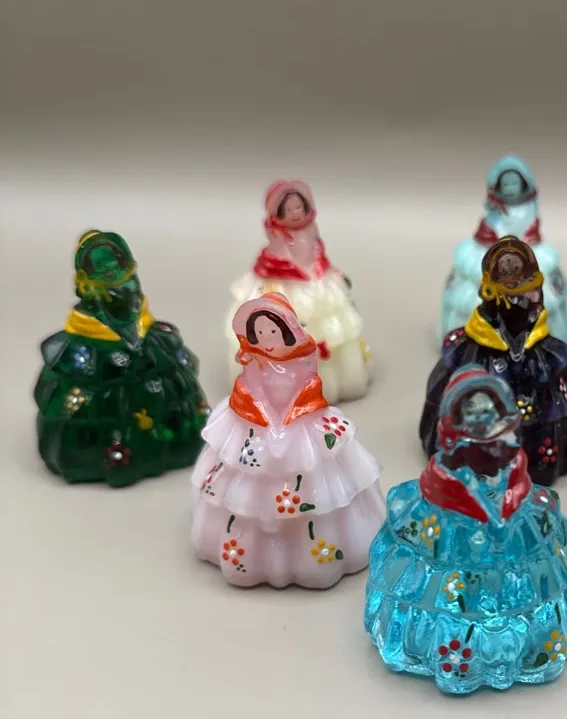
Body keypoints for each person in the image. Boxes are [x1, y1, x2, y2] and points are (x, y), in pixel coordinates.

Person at [365, 365, 567, 694]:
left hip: (511, 520)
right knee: (434, 583)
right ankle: (452, 653)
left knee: (527, 578)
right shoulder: (445, 475)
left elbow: (513, 476)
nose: (482, 421)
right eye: (471, 413)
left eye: (488, 413)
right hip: (449, 522)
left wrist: (503, 504)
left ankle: (524, 647)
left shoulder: (512, 468)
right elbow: (448, 480)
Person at [192, 293, 384, 588]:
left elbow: (308, 389)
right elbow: (250, 391)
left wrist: (287, 423)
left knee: (317, 486)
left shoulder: (303, 359)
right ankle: (249, 552)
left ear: (286, 331)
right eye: (259, 334)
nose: (267, 340)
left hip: (302, 423)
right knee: (246, 492)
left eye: (272, 331)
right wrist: (267, 422)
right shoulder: (254, 363)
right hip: (256, 426)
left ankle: (317, 554)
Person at [34, 229, 209, 487]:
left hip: (139, 337)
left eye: (116, 264)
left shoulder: (134, 295)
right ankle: (111, 453)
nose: (111, 271)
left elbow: (133, 305)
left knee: (164, 389)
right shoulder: (89, 305)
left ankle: (171, 441)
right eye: (103, 267)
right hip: (98, 343)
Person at [422, 237, 567, 486]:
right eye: (516, 295)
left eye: (532, 291)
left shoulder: (542, 342)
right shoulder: (474, 344)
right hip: (488, 350)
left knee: (546, 406)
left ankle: (537, 461)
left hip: (530, 351)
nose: (528, 299)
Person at [227, 179, 372, 402]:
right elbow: (281, 258)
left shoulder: (311, 230)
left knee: (329, 328)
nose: (295, 214)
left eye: (298, 208)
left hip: (315, 279)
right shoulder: (277, 235)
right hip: (284, 282)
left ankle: (333, 379)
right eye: (288, 210)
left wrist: (321, 271)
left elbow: (315, 253)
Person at [438, 155, 567, 344]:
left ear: (524, 184)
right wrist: (494, 236)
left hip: (525, 250)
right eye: (506, 184)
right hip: (494, 250)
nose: (510, 188)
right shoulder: (495, 208)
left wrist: (520, 246)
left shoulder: (528, 208)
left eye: (514, 183)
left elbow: (530, 229)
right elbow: (489, 228)